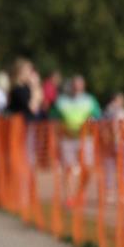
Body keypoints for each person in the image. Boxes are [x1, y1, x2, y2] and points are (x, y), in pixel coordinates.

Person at [50, 75, 101, 206]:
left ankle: (81, 192)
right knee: (68, 168)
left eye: (79, 84)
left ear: (83, 86)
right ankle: (69, 197)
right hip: (67, 139)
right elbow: (53, 117)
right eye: (75, 84)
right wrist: (57, 132)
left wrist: (92, 121)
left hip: (86, 138)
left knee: (88, 168)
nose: (77, 87)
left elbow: (98, 115)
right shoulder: (62, 101)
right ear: (71, 85)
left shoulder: (89, 100)